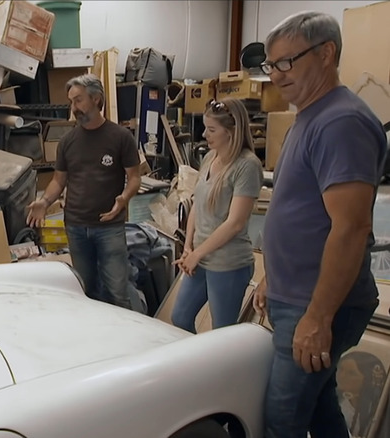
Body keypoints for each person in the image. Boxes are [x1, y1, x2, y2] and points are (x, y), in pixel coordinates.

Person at [252, 11, 387, 438]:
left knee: (282, 419)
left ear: (327, 53)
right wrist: (273, 275)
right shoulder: (310, 116)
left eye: (286, 62)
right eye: (271, 65)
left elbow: (350, 228)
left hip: (319, 304)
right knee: (318, 409)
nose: (276, 75)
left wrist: (318, 317)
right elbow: (301, 214)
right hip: (298, 297)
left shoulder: (340, 122)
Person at [26, 73, 141, 309]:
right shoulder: (68, 142)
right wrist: (44, 201)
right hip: (76, 226)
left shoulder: (121, 137)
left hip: (109, 227)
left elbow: (135, 178)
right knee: (85, 292)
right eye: (71, 102)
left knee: (117, 292)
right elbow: (59, 181)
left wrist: (124, 198)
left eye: (78, 100)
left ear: (96, 99)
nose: (73, 107)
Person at [170, 98, 262, 333]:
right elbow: (197, 205)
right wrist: (188, 247)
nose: (204, 134)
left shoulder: (247, 166)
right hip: (201, 258)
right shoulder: (211, 157)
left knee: (222, 333)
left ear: (231, 132)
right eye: (205, 127)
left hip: (228, 263)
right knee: (180, 317)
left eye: (212, 130)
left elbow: (235, 223)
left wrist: (197, 253)